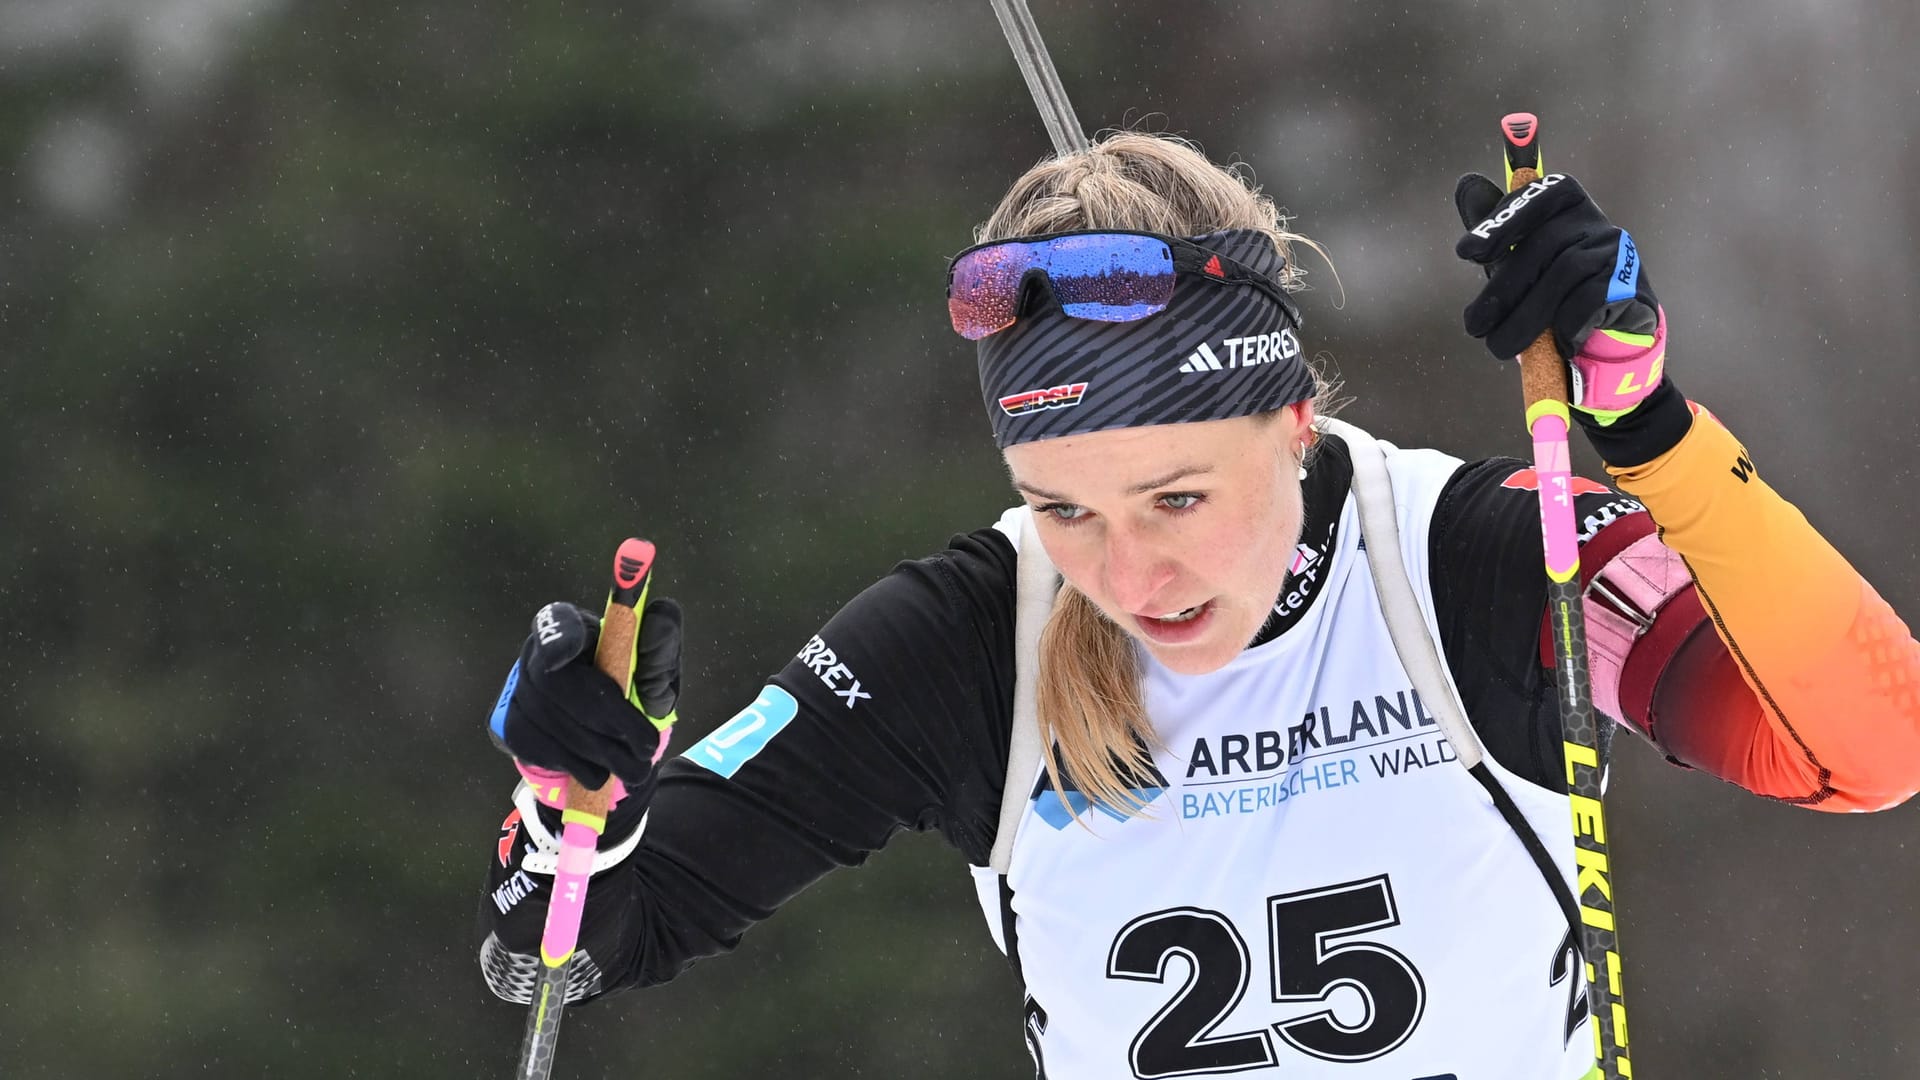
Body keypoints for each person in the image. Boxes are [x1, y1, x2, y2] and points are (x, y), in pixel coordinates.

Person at [476, 131, 1920, 1078]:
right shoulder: (976, 642)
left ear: (1294, 422)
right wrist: (573, 791)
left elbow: (1870, 749)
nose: (1129, 574)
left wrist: (1652, 426)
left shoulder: (1470, 559)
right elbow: (578, 935)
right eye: (1064, 510)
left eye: (1176, 497)